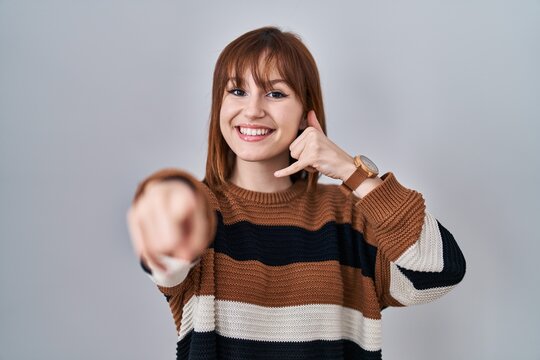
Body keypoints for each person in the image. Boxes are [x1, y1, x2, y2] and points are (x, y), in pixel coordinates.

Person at [127, 26, 466, 360]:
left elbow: (439, 271)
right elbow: (167, 257)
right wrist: (163, 227)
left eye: (275, 93)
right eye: (237, 91)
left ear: (307, 113)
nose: (253, 110)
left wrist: (352, 171)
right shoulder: (202, 210)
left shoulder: (350, 218)